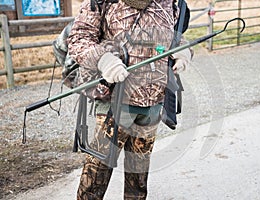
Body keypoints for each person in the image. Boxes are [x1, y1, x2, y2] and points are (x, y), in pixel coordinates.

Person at [67, 0, 192, 199]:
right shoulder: (101, 2)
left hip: (153, 104)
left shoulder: (172, 2)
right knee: (96, 176)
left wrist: (183, 51)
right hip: (113, 103)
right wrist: (103, 59)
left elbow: (175, 36)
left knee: (138, 180)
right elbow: (78, 39)